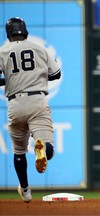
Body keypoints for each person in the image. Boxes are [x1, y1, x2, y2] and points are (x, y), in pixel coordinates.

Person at [0, 17, 61, 202]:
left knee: (19, 152)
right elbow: (56, 73)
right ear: (24, 31)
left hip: (15, 104)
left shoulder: (2, 51)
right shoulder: (39, 48)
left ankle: (25, 192)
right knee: (48, 148)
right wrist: (35, 78)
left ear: (8, 33)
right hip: (37, 100)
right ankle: (41, 149)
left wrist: (11, 80)